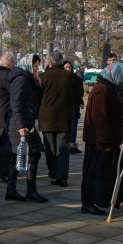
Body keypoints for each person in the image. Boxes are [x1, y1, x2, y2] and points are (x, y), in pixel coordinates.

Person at [81, 62, 123, 215]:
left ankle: (110, 199)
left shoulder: (110, 87)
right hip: (100, 141)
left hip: (109, 139)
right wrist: (105, 141)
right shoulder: (102, 90)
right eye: (121, 76)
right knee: (95, 173)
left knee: (108, 172)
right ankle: (89, 202)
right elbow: (99, 118)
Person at [6, 54, 48, 203]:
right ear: (28, 65)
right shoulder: (21, 79)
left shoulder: (27, 78)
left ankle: (12, 190)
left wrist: (38, 83)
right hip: (21, 124)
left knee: (19, 155)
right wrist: (21, 126)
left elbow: (35, 99)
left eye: (38, 66)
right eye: (35, 66)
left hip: (24, 122)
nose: (37, 69)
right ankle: (30, 190)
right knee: (33, 153)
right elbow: (16, 104)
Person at [39, 50, 83, 187]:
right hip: (65, 117)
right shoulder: (71, 77)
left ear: (50, 62)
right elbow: (78, 95)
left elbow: (36, 97)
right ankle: (62, 176)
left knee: (50, 148)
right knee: (63, 148)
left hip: (46, 118)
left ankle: (53, 172)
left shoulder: (43, 77)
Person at [64, 60, 84, 155]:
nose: (68, 69)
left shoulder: (75, 79)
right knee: (67, 128)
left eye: (69, 67)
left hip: (74, 107)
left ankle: (72, 147)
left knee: (74, 127)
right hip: (64, 108)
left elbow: (79, 92)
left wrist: (81, 101)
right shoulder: (61, 79)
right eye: (66, 67)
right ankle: (66, 146)